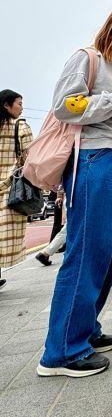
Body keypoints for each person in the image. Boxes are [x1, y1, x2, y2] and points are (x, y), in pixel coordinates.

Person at [37, 4, 112, 378]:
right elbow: (65, 108)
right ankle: (61, 352)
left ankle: (84, 328)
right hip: (94, 157)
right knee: (88, 249)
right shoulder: (86, 58)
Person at [0, 90, 33, 287]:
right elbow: (30, 160)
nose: (22, 108)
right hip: (9, 192)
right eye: (19, 104)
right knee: (4, 241)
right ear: (7, 105)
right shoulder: (21, 127)